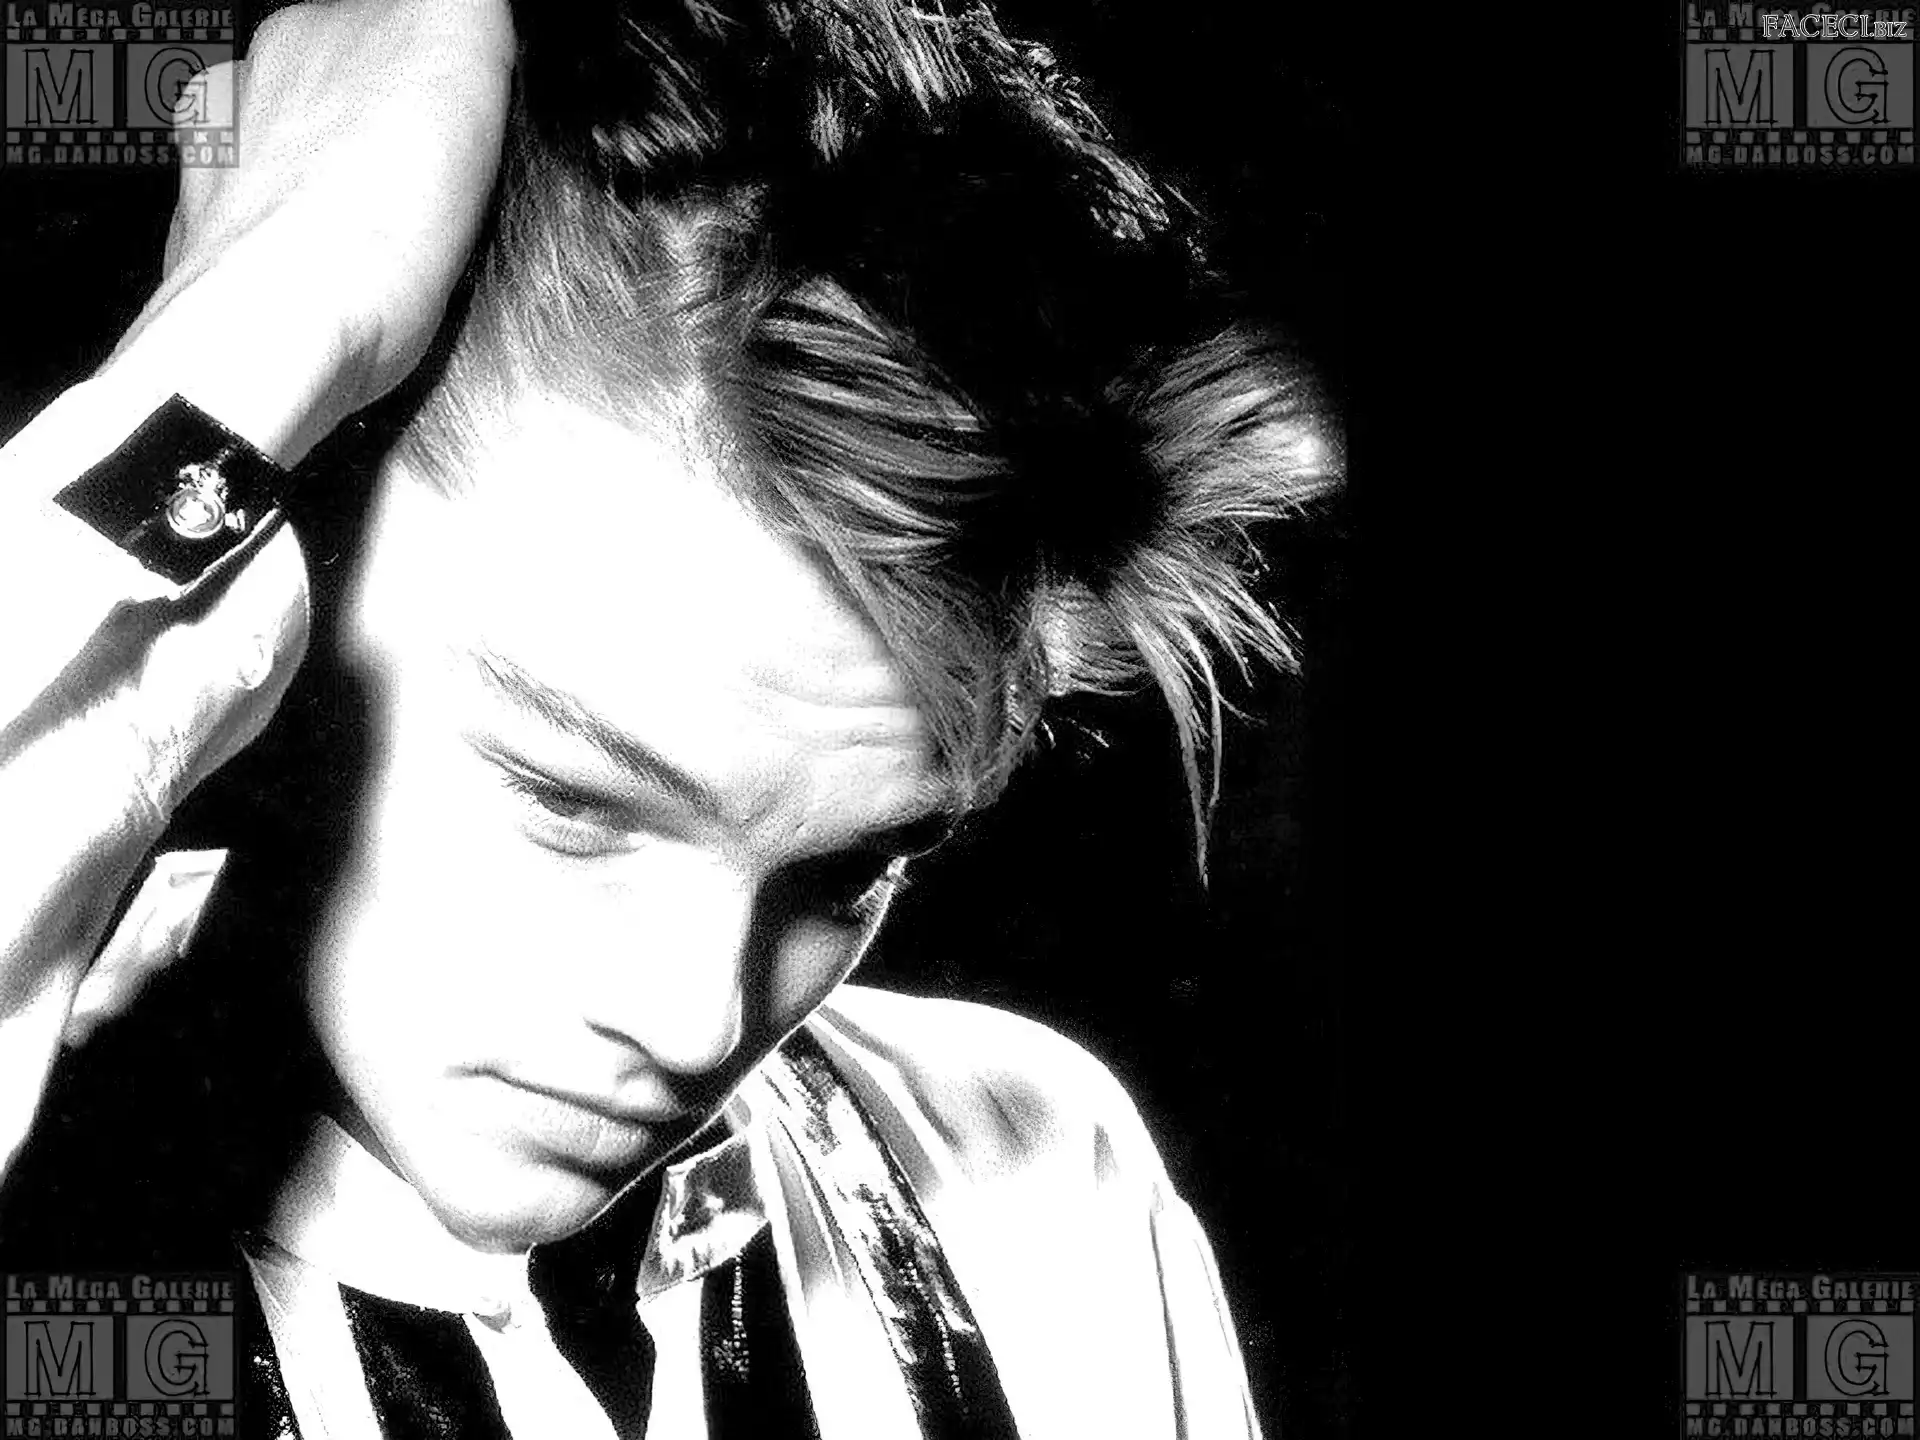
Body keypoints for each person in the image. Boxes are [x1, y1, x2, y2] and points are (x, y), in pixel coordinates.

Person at [0, 0, 1340, 1434]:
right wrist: (269, 317)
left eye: (847, 872)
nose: (698, 1021)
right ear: (293, 616)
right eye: (573, 800)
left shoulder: (1035, 1190)